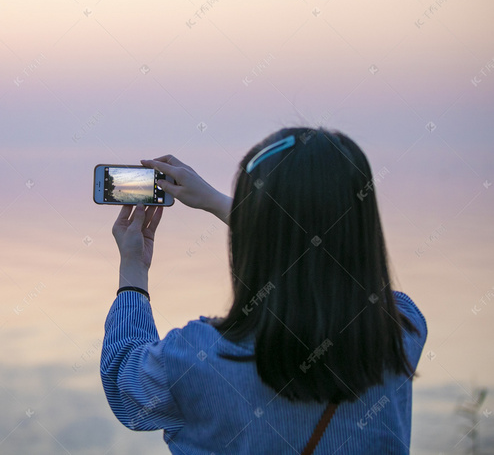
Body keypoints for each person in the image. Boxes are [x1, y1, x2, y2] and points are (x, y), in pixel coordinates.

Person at [100, 127, 428, 454]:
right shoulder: (401, 331)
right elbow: (321, 250)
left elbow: (123, 382)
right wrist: (216, 202)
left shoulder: (198, 358)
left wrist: (133, 268)